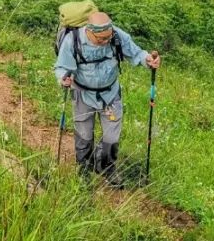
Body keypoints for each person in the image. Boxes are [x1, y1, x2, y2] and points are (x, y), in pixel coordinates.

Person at [54, 11, 161, 182]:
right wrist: (63, 78)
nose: (105, 41)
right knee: (84, 134)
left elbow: (137, 53)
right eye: (101, 39)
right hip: (82, 94)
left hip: (110, 94)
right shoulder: (73, 40)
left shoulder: (116, 35)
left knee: (112, 137)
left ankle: (106, 167)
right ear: (89, 31)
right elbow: (61, 67)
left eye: (108, 38)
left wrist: (148, 60)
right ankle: (84, 169)